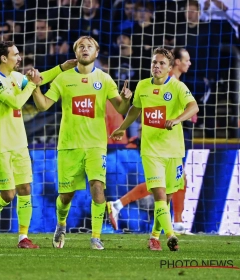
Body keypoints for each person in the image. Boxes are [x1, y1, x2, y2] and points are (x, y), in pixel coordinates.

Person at [31, 36, 132, 250]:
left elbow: (122, 109)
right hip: (69, 145)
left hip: (96, 145)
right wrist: (35, 88)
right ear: (75, 53)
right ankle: (60, 224)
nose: (85, 49)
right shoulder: (63, 79)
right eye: (81, 47)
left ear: (96, 53)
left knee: (98, 187)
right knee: (65, 196)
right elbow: (43, 106)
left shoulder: (104, 79)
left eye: (89, 47)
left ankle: (95, 237)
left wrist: (127, 98)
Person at [0, 41, 76, 249]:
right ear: (4, 58)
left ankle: (23, 237)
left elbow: (40, 78)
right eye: (16, 54)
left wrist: (62, 67)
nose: (20, 58)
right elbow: (15, 102)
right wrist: (31, 84)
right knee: (7, 194)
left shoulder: (16, 77)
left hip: (20, 142)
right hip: (1, 145)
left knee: (25, 188)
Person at [110, 47, 199, 251]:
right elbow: (135, 110)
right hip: (150, 151)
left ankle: (154, 237)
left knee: (166, 198)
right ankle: (171, 235)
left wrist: (176, 120)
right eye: (154, 62)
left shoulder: (177, 87)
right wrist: (122, 128)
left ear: (169, 68)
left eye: (161, 64)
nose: (156, 66)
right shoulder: (142, 86)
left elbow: (194, 107)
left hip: (174, 151)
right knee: (159, 195)